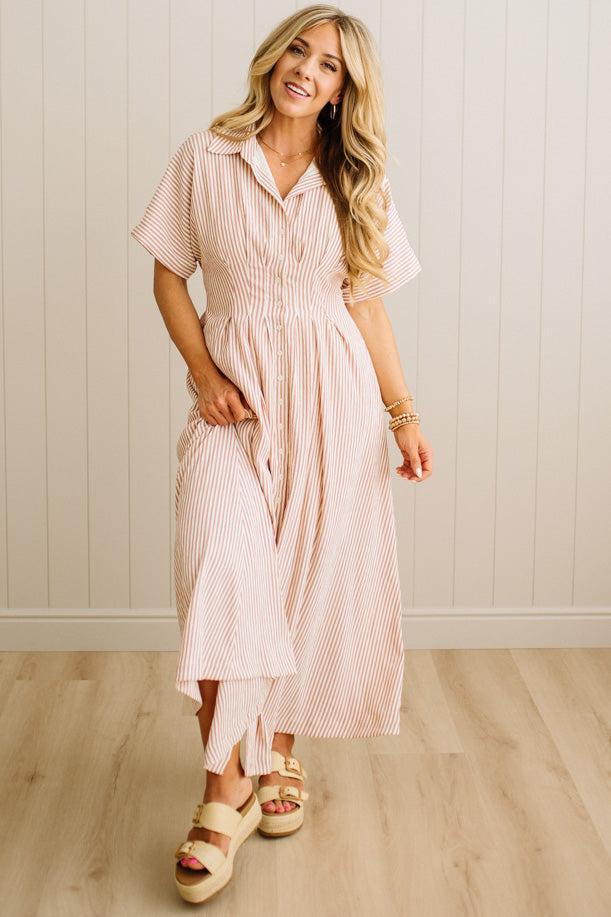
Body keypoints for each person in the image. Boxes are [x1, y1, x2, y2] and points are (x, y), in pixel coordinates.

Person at [130, 3, 433, 904]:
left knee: (302, 587)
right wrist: (200, 370)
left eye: (330, 65)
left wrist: (402, 411)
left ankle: (280, 754)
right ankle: (224, 789)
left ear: (345, 91)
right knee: (223, 567)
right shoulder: (204, 157)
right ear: (273, 56)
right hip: (235, 405)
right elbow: (167, 270)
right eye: (299, 48)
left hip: (334, 404)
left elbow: (368, 304)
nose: (308, 68)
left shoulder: (355, 178)